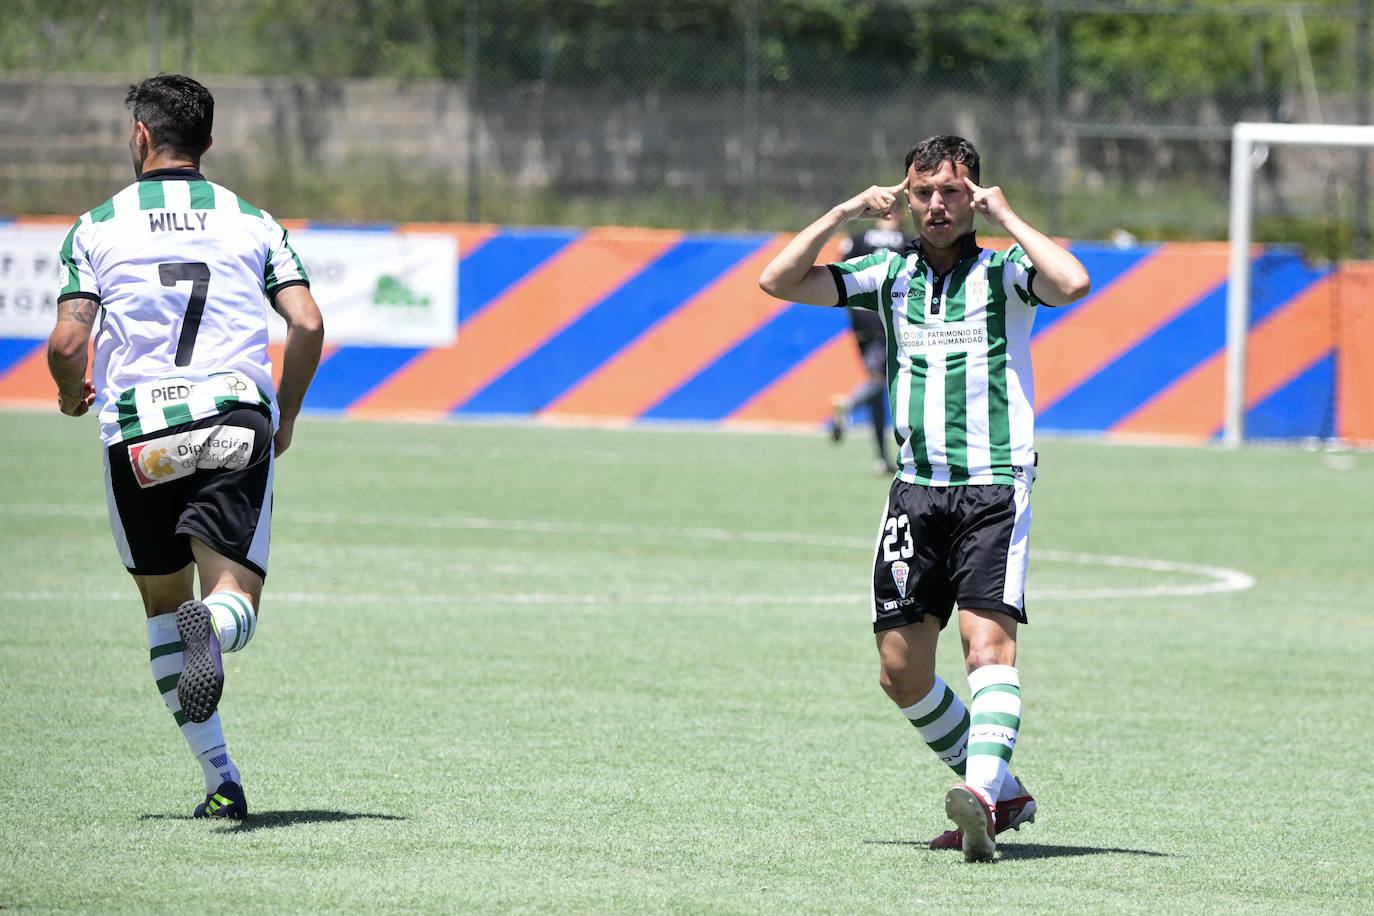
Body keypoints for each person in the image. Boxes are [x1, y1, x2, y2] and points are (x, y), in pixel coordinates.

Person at [758, 135, 1090, 862]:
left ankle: (978, 794)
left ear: (973, 197)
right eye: (925, 191)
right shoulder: (886, 271)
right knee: (900, 669)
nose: (938, 205)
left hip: (993, 486)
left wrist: (1009, 215)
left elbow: (1073, 282)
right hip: (914, 494)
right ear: (906, 197)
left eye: (952, 191)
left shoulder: (1005, 272)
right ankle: (1000, 792)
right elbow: (778, 281)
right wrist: (845, 210)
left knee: (985, 647)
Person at [46, 74, 325, 821]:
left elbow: (70, 341)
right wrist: (286, 415)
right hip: (234, 422)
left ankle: (221, 779)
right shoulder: (253, 222)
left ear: (140, 136)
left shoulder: (96, 226)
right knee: (233, 599)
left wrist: (73, 393)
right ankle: (221, 624)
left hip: (140, 439)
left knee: (164, 609)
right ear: (207, 141)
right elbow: (305, 323)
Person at [830, 212, 906, 473]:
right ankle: (848, 406)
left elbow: (839, 274)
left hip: (859, 318)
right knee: (876, 381)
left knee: (876, 383)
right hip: (887, 316)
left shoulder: (858, 239)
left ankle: (883, 458)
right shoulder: (907, 241)